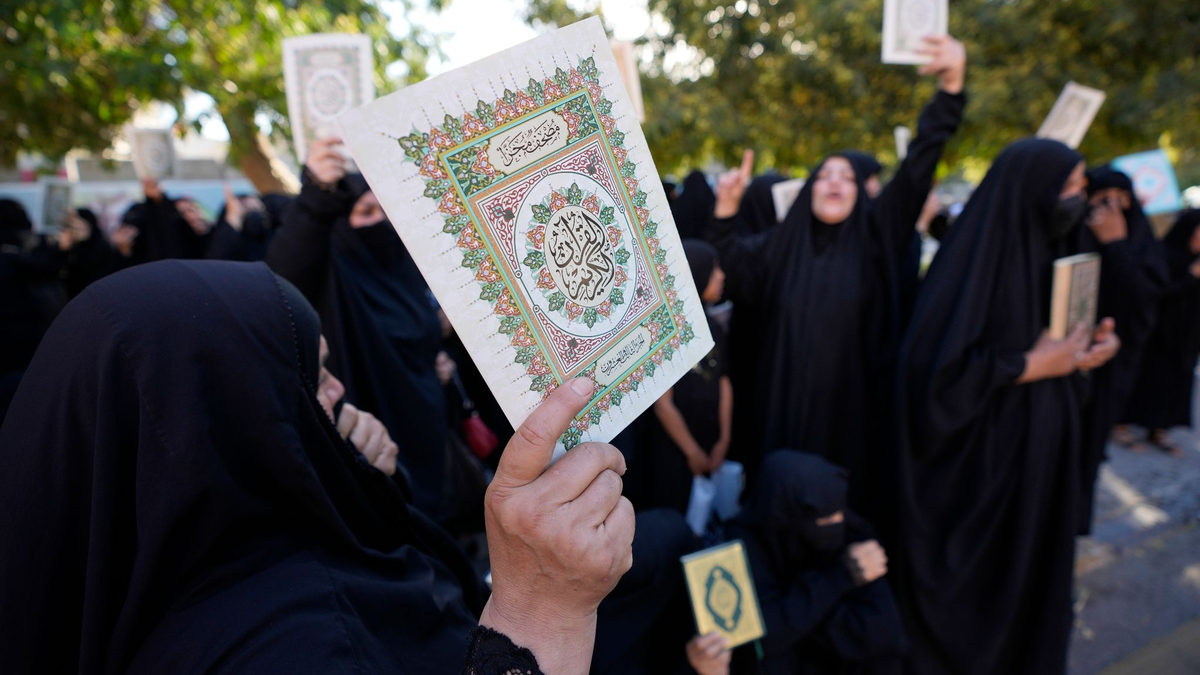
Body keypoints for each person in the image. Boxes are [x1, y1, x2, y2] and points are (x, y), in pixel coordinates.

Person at [0, 259, 635, 675]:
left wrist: (368, 490)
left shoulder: (165, 578)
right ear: (236, 410)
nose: (338, 392)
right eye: (315, 373)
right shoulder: (304, 644)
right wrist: (539, 616)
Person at [706, 35, 967, 511]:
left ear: (861, 193)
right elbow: (730, 269)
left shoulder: (876, 241)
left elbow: (916, 170)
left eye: (847, 177)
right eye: (825, 174)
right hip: (776, 407)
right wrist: (726, 207)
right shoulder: (776, 247)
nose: (835, 182)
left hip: (848, 413)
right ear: (809, 189)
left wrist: (950, 89)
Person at [892, 138, 1121, 675]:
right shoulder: (969, 266)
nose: (1077, 197)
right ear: (1031, 191)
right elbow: (930, 379)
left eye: (1079, 186)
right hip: (981, 474)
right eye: (1068, 186)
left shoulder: (1055, 246)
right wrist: (1029, 365)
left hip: (1040, 466)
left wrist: (1088, 350)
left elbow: (1064, 337)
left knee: (1033, 593)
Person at [267, 137, 450, 518]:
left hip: (427, 427)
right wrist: (319, 193)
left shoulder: (404, 269)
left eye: (385, 212)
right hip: (370, 437)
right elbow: (285, 273)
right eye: (365, 211)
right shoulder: (333, 278)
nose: (378, 222)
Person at [1076, 165, 1168, 529]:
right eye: (1102, 200)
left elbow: (1143, 301)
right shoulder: (1078, 237)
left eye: (1122, 199)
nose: (1114, 207)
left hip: (1115, 367)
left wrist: (1116, 246)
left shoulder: (1143, 243)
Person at [647, 240, 732, 513]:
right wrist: (692, 451)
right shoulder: (666, 332)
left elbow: (723, 380)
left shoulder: (713, 328)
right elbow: (663, 403)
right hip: (675, 449)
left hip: (709, 442)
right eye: (714, 268)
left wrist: (724, 438)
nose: (721, 275)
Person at [1123, 209, 1200, 454]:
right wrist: (1190, 276)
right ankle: (1121, 425)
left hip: (1186, 338)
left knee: (1175, 386)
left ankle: (1159, 429)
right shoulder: (1163, 255)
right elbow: (1157, 294)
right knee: (1148, 380)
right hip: (1159, 334)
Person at [119, 178, 210, 262]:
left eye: (192, 210)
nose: (191, 216)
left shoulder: (208, 242)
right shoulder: (165, 241)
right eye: (182, 213)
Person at [54, 207, 126, 298]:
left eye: (77, 224)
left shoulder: (101, 246)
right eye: (71, 224)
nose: (74, 229)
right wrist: (63, 250)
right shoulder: (68, 245)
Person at [205, 183, 278, 262]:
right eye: (247, 211)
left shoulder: (275, 237)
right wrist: (234, 219)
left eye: (258, 210)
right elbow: (216, 259)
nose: (255, 215)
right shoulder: (227, 241)